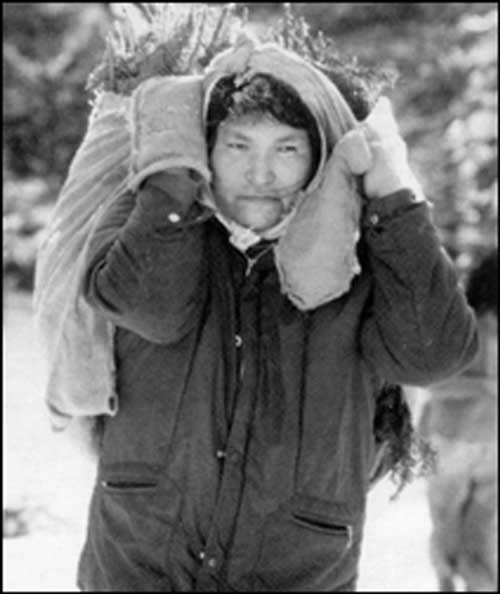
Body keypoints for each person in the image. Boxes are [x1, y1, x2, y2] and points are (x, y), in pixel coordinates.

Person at [61, 30, 479, 592]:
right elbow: (149, 308)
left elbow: (433, 355)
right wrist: (170, 174)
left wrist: (394, 199)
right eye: (237, 146)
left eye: (287, 149)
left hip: (297, 573)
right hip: (142, 566)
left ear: (319, 155)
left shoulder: (363, 259)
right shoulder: (154, 224)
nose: (261, 174)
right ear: (204, 150)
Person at [419, 249, 497, 592]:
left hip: (481, 448)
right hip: (452, 441)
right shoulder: (464, 327)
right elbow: (433, 381)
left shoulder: (465, 325)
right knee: (451, 540)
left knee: (476, 543)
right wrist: (487, 386)